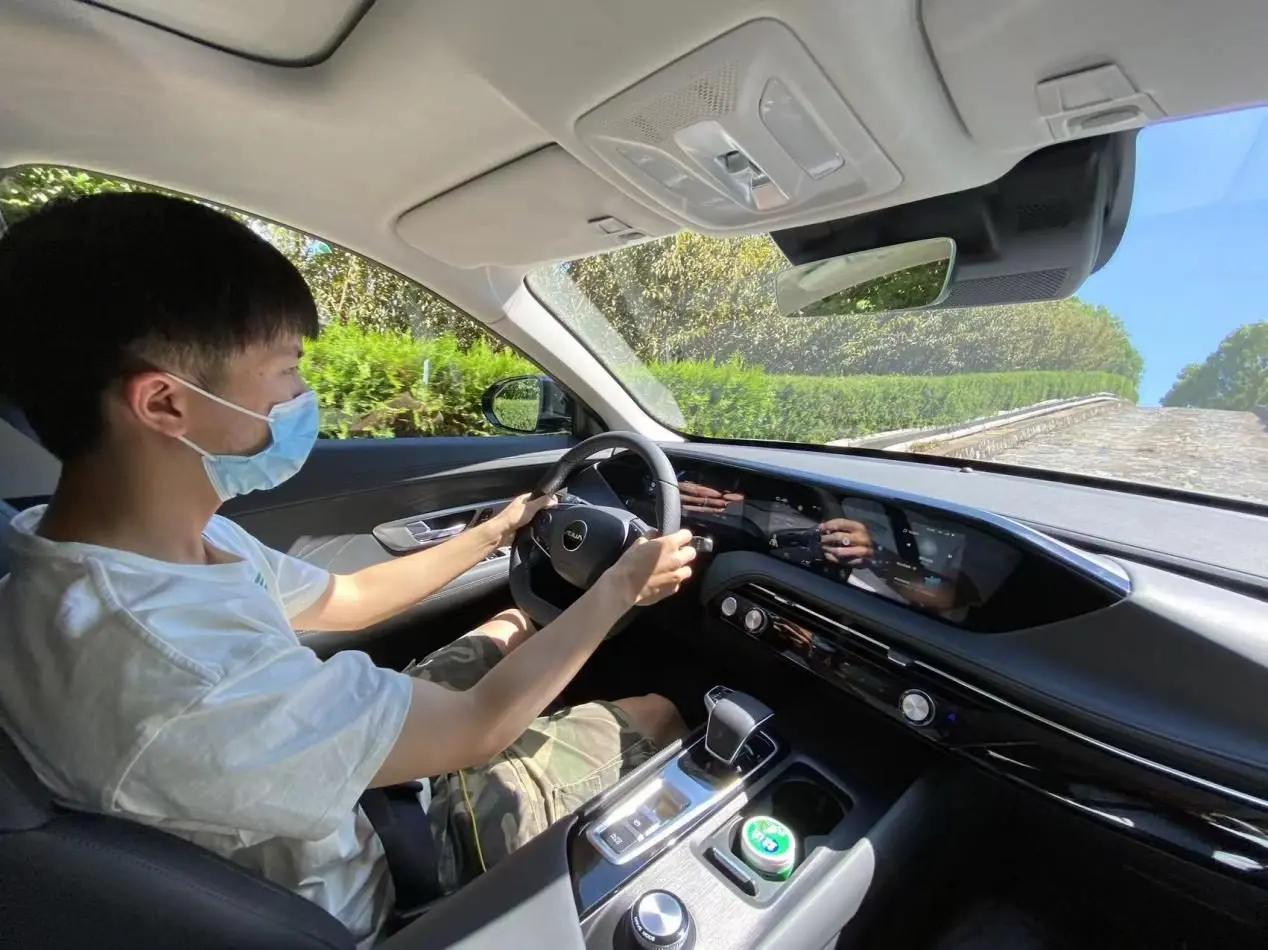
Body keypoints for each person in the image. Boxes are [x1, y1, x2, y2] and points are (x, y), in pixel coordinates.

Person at [0, 193, 695, 945]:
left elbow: (350, 597)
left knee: (510, 622)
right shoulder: (176, 667)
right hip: (384, 874)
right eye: (285, 374)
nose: (302, 399)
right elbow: (476, 728)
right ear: (166, 403)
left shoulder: (100, 552)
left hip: (322, 783)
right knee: (655, 712)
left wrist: (493, 534)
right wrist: (622, 587)